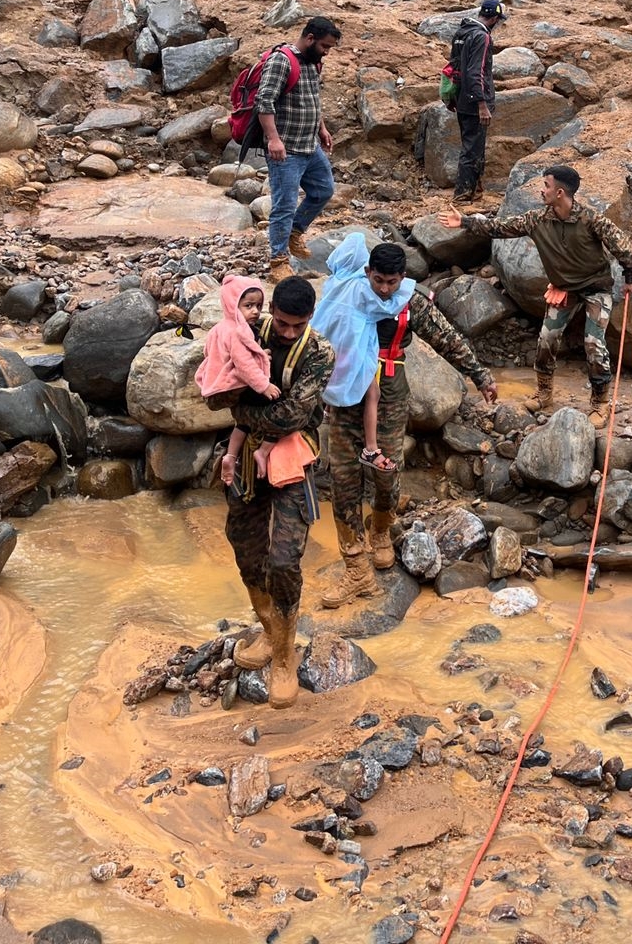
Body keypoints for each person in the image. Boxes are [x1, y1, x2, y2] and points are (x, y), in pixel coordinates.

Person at [320, 240, 497, 605]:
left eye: (391, 281)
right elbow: (320, 336)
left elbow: (448, 339)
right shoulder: (349, 294)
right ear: (367, 273)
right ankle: (354, 564)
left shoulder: (410, 302)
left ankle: (381, 531)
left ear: (403, 278)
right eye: (378, 280)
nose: (384, 289)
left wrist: (480, 377)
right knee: (342, 475)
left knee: (387, 469)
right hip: (346, 391)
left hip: (389, 389)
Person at [440, 164, 632, 419]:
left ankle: (600, 403)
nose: (542, 190)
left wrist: (630, 274)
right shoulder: (537, 220)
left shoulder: (591, 220)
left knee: (593, 343)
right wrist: (465, 222)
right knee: (547, 338)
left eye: (546, 185)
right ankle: (544, 393)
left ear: (560, 193)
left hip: (595, 289)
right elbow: (501, 227)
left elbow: (620, 243)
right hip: (563, 289)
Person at [220, 275, 335, 708]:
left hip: (294, 458)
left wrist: (244, 411)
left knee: (285, 557)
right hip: (249, 454)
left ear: (310, 318)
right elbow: (215, 392)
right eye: (281, 324)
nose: (286, 333)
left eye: (296, 326)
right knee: (244, 543)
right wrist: (242, 413)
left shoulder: (320, 352)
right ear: (272, 313)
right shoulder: (249, 329)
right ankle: (268, 630)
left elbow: (293, 414)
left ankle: (285, 654)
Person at [256, 16, 340, 284]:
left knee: (324, 190)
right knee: (284, 205)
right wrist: (273, 139)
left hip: (309, 145)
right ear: (310, 38)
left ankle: (294, 231)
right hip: (286, 150)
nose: (327, 51)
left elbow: (313, 99)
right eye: (325, 46)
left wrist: (321, 128)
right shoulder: (281, 60)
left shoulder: (314, 63)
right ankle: (278, 261)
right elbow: (264, 101)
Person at [195, 276, 283, 487]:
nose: (255, 311)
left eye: (259, 306)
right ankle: (263, 451)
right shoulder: (239, 331)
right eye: (248, 306)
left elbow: (208, 351)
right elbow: (244, 364)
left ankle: (230, 456)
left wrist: (259, 354)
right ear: (233, 304)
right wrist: (264, 385)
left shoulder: (220, 327)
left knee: (242, 423)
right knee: (278, 409)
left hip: (218, 385)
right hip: (236, 383)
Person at [449, 0, 506, 204]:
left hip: (462, 98)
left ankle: (475, 190)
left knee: (470, 145)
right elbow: (476, 72)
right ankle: (463, 196)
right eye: (499, 20)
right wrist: (482, 104)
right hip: (475, 103)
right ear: (494, 19)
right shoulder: (482, 37)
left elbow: (454, 67)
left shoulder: (461, 33)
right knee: (472, 149)